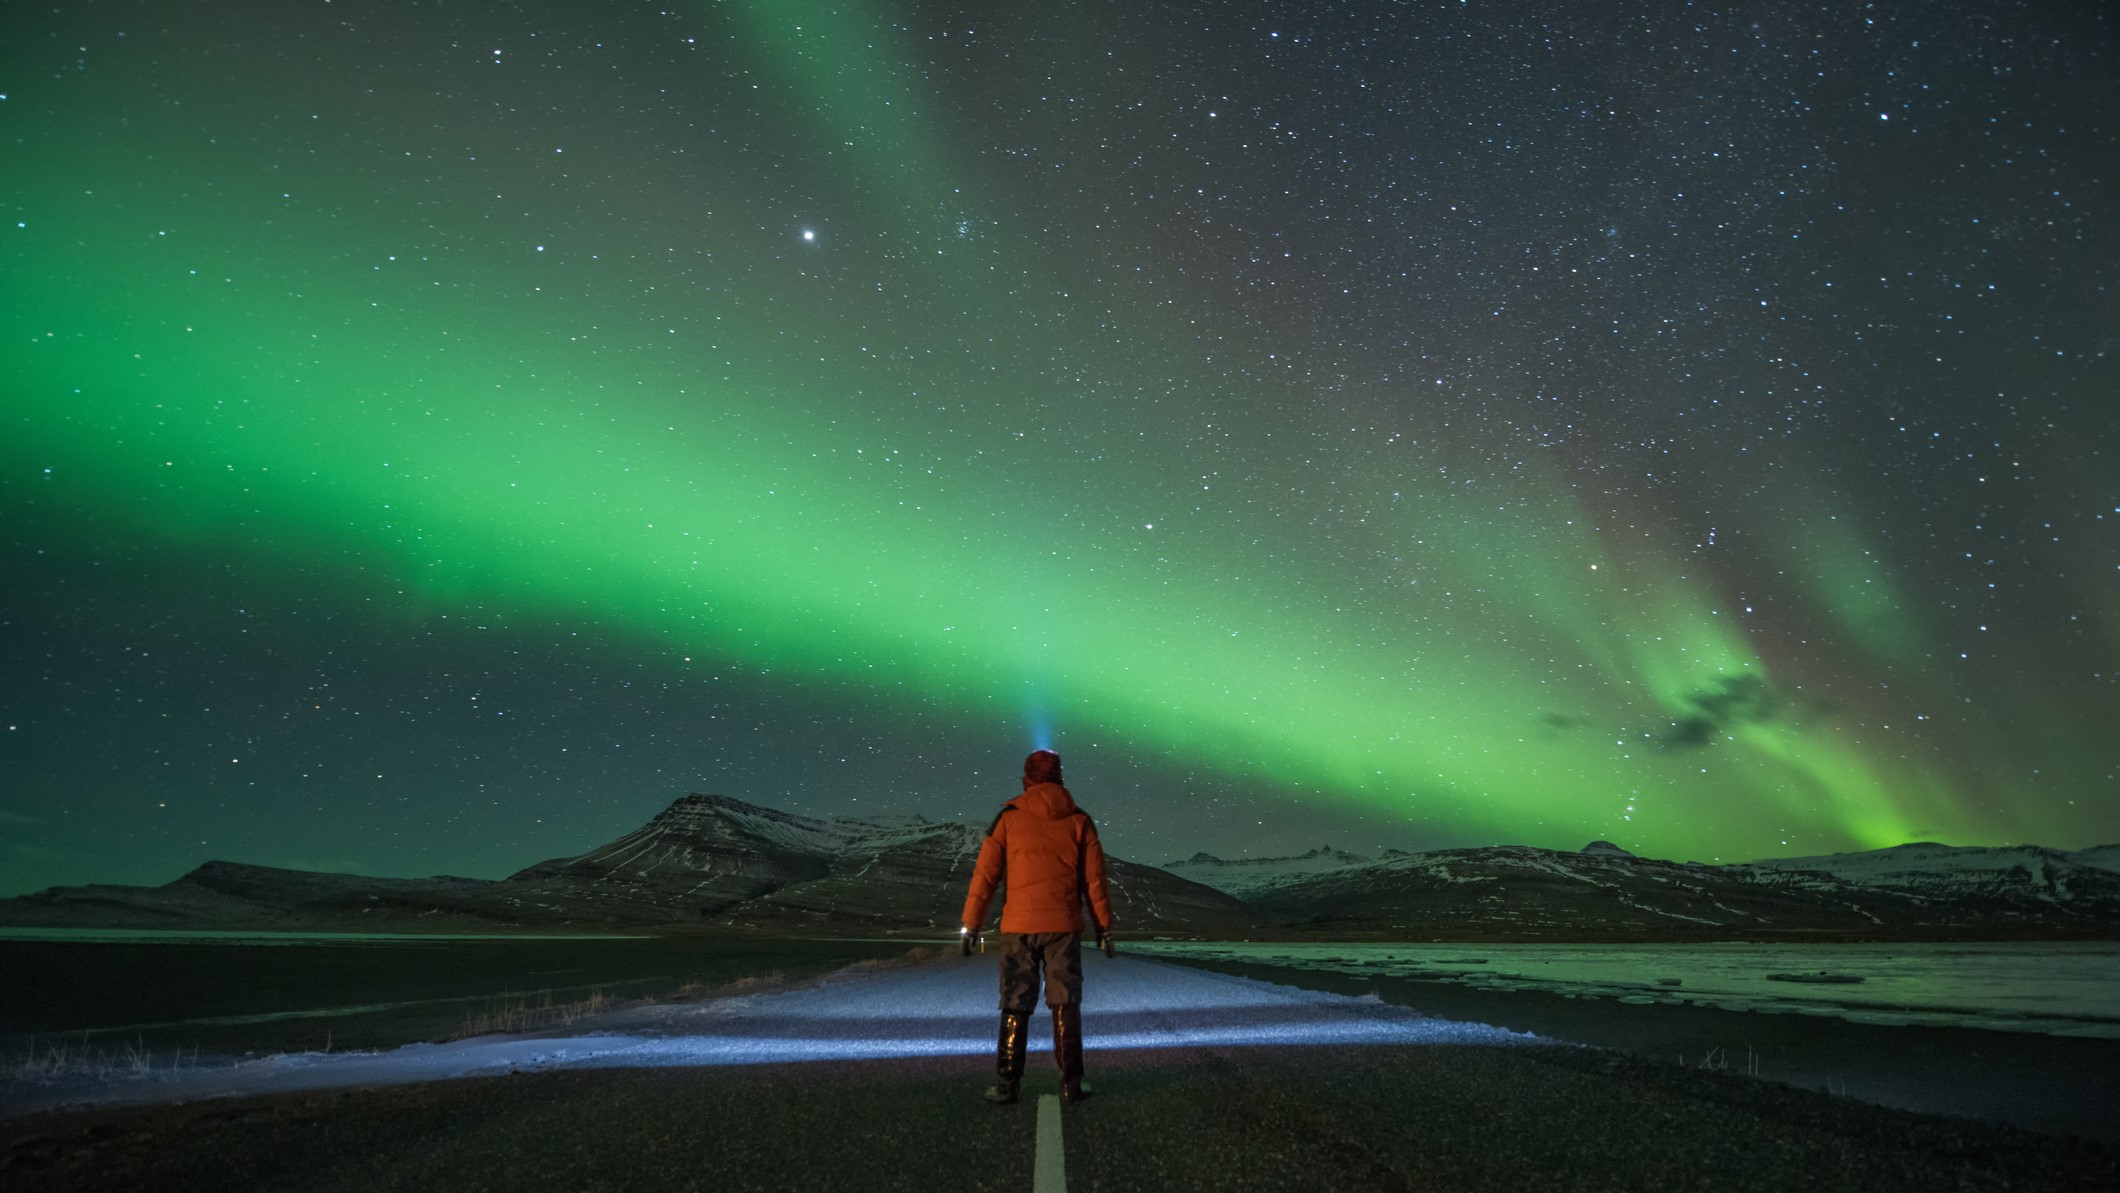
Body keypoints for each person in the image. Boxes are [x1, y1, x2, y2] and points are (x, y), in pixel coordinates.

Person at [960, 749, 1114, 1104]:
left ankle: (1007, 1085)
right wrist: (1104, 927)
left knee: (1015, 1000)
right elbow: (1094, 882)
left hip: (1018, 926)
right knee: (1065, 999)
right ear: (1060, 777)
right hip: (1063, 926)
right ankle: (1071, 1084)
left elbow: (985, 877)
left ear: (1026, 779)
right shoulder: (1079, 820)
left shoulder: (1007, 819)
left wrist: (971, 924)